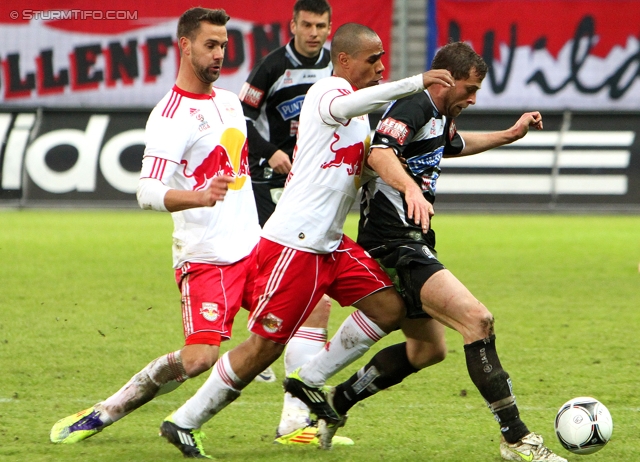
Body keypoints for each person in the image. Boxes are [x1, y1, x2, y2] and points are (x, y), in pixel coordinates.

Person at [158, 23, 456, 459]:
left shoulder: (359, 119)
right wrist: (416, 82)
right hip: (293, 245)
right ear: (345, 60)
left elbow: (369, 159)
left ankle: (307, 379)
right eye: (373, 59)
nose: (381, 65)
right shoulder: (326, 92)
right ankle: (184, 420)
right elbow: (356, 101)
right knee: (264, 348)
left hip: (332, 245)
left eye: (382, 58)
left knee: (390, 307)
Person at [283, 42, 567, 461]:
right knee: (478, 319)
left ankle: (337, 404)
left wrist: (510, 134)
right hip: (393, 243)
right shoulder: (413, 105)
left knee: (427, 350)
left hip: (410, 242)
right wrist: (410, 187)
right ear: (446, 80)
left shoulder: (438, 116)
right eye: (469, 89)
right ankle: (516, 438)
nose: (473, 98)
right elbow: (380, 152)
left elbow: (454, 145)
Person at [49, 7, 262, 447]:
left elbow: (238, 170)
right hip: (207, 258)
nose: (220, 54)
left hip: (255, 250)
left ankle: (293, 424)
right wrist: (200, 195)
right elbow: (146, 191)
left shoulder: (227, 101)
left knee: (302, 315)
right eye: (210, 45)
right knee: (200, 357)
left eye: (224, 45)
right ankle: (107, 410)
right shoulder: (170, 116)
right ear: (184, 46)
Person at [238, 0, 348, 446]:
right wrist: (270, 152)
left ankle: (268, 348)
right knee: (295, 284)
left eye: (322, 25)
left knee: (296, 286)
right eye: (307, 24)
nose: (315, 32)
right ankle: (291, 408)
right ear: (293, 25)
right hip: (273, 183)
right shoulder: (272, 66)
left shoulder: (336, 70)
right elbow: (243, 117)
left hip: (312, 187)